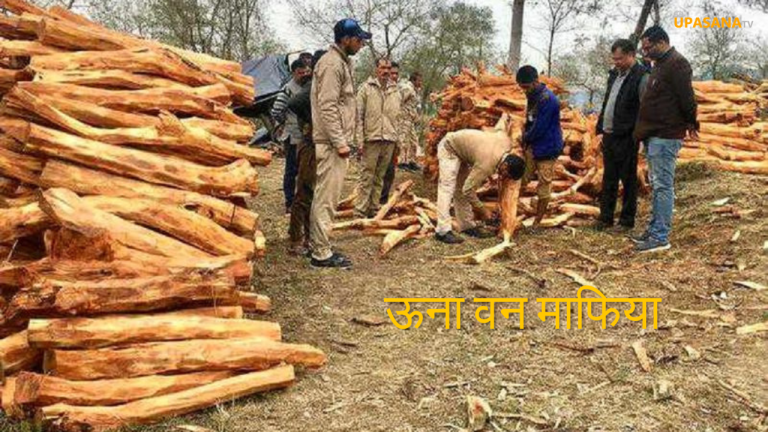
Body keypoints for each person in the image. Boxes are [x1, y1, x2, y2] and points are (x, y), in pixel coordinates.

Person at [309, 18, 371, 269]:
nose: (361, 44)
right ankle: (320, 253)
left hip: (336, 142)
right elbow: (327, 106)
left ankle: (319, 244)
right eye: (358, 39)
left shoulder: (341, 63)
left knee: (327, 197)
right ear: (345, 39)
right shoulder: (332, 64)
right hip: (332, 143)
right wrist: (340, 142)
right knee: (326, 197)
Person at [633, 25, 698, 253]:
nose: (646, 52)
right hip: (655, 134)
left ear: (661, 42)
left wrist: (691, 122)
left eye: (648, 47)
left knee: (663, 186)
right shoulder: (659, 65)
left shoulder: (677, 63)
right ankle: (653, 230)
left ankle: (661, 236)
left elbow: (687, 98)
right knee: (657, 185)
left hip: (666, 135)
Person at [435, 121, 526, 244]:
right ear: (505, 166)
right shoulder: (486, 165)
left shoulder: (506, 144)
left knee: (460, 189)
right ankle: (442, 231)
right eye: (506, 175)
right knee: (447, 188)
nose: (504, 177)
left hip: (462, 150)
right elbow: (468, 190)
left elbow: (500, 126)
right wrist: (483, 210)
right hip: (449, 147)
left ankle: (467, 226)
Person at [594, 39, 649, 233]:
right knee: (609, 178)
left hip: (627, 136)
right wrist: (599, 128)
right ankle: (605, 218)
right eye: (614, 59)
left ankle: (626, 221)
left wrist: (640, 136)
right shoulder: (614, 76)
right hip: (609, 135)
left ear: (631, 55)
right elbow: (607, 103)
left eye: (619, 59)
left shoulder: (641, 77)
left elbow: (645, 109)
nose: (616, 62)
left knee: (628, 179)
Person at [287, 50, 326, 256]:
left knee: (314, 193)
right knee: (303, 193)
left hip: (317, 144)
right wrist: (311, 122)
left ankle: (310, 237)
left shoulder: (320, 84)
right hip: (309, 145)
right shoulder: (313, 84)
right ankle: (295, 240)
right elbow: (293, 103)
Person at [516, 65, 564, 230]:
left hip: (548, 148)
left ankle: (537, 222)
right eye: (521, 87)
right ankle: (511, 211)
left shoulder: (549, 100)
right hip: (533, 145)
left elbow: (540, 128)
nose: (524, 90)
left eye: (526, 87)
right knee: (521, 178)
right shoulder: (532, 95)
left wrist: (524, 137)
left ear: (536, 81)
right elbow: (530, 121)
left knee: (544, 186)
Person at [353, 57, 402, 218]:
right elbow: (358, 117)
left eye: (388, 68)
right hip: (371, 139)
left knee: (380, 176)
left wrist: (398, 141)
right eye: (382, 68)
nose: (386, 71)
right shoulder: (366, 89)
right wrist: (359, 140)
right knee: (366, 176)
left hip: (389, 139)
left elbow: (398, 118)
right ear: (376, 69)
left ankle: (373, 209)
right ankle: (360, 210)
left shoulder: (396, 91)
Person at [271, 59, 312, 214]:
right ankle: (289, 202)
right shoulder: (287, 90)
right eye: (300, 72)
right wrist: (285, 123)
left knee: (304, 170)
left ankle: (302, 201)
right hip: (292, 136)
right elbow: (276, 110)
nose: (303, 75)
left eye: (305, 72)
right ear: (293, 72)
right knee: (291, 170)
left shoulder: (307, 87)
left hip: (305, 136)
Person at [398, 71, 423, 171]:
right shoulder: (407, 88)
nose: (421, 83)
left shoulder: (415, 90)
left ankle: (411, 161)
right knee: (403, 140)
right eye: (419, 81)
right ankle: (402, 162)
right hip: (404, 118)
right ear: (414, 80)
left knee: (414, 140)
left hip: (410, 119)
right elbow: (399, 102)